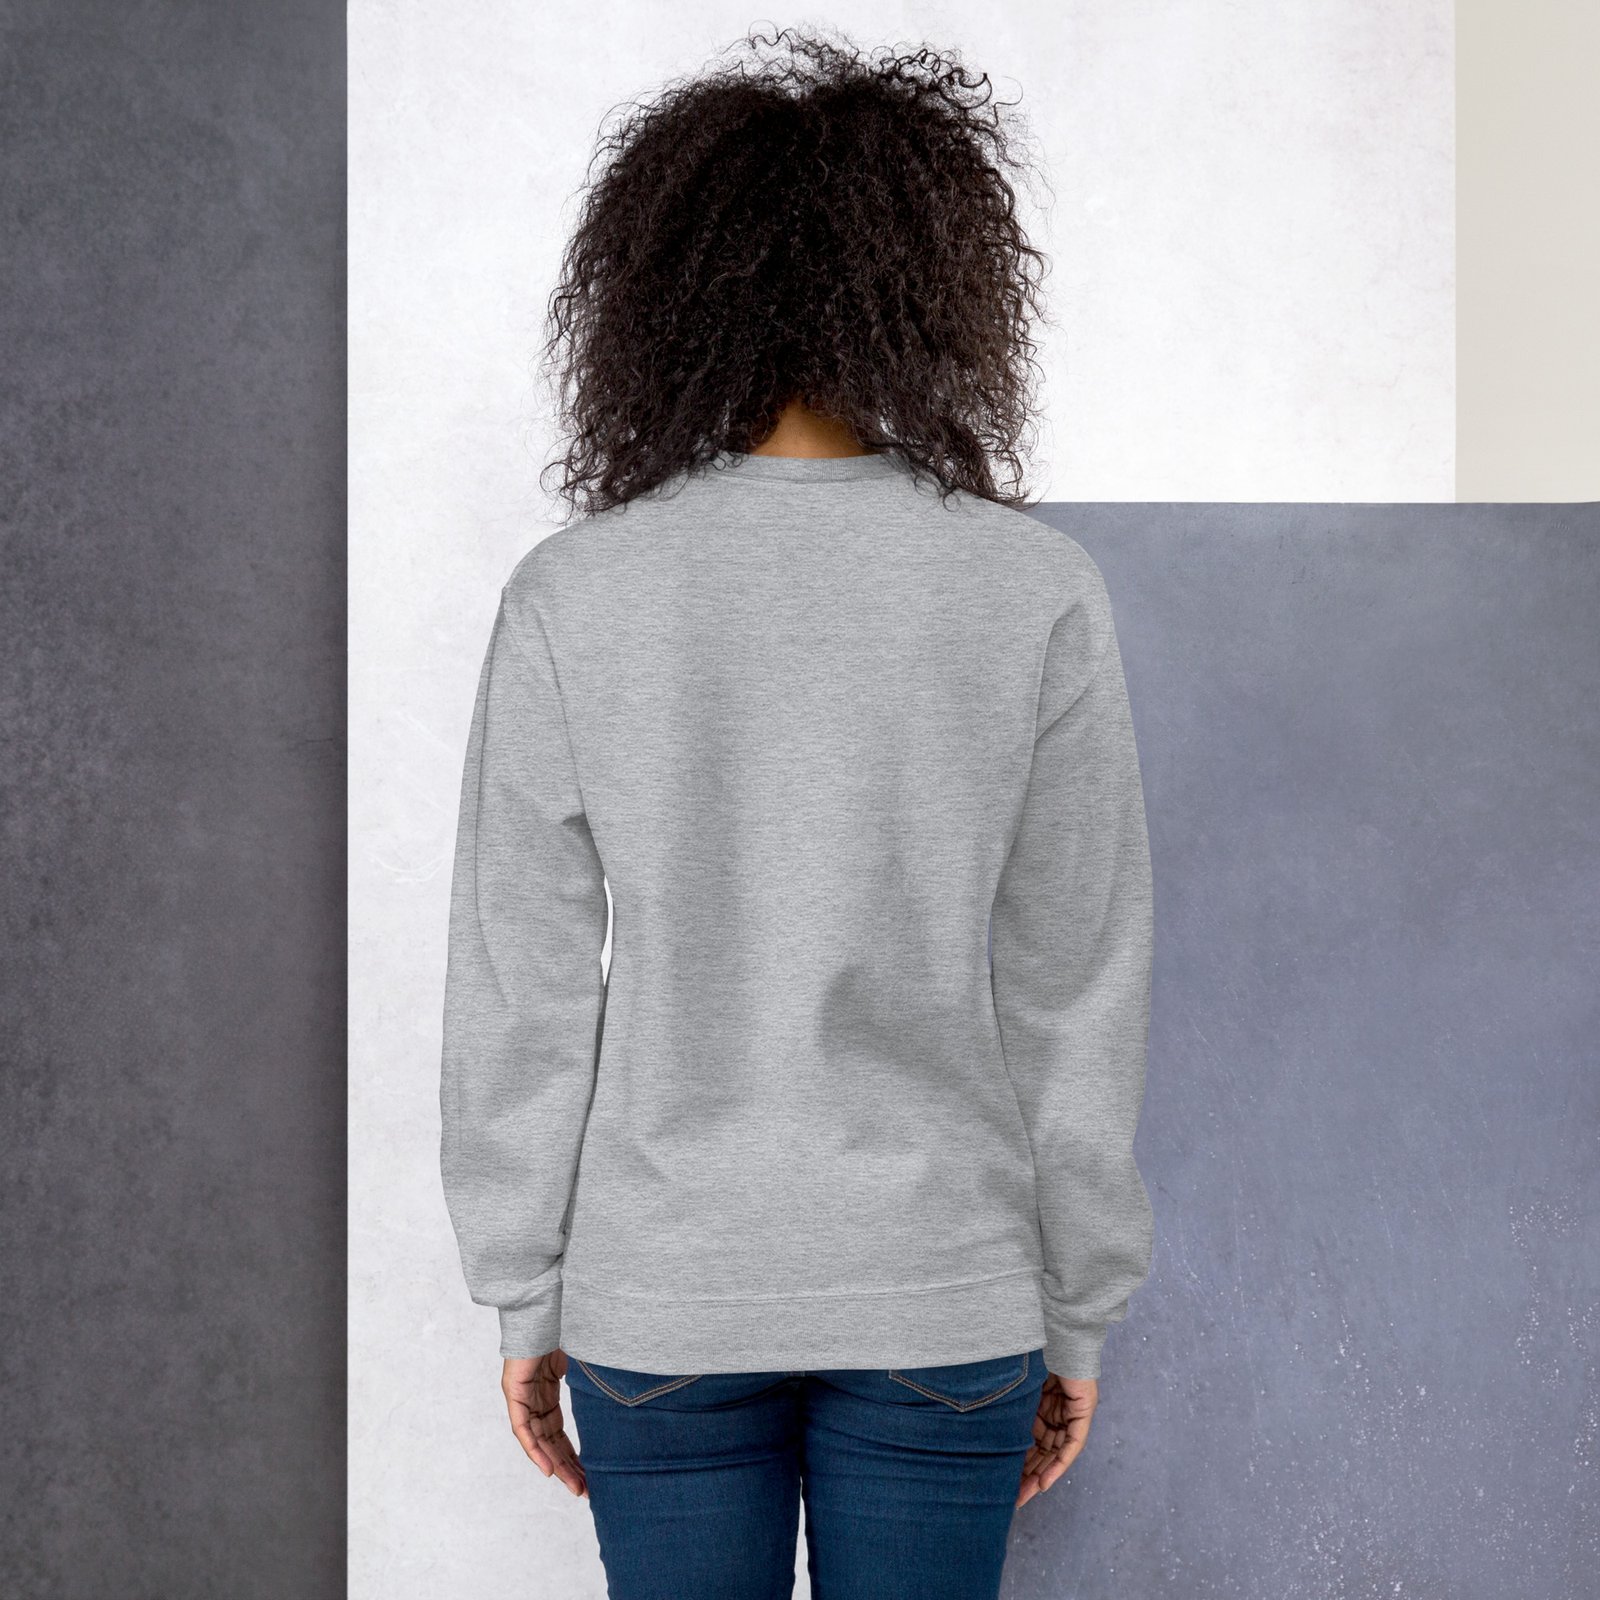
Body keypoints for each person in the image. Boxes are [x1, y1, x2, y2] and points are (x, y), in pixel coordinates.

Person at [439, 26, 1155, 1600]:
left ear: (665, 289)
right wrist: (1078, 1306)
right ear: (935, 286)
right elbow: (1075, 985)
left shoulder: (577, 595)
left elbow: (524, 984)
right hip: (943, 1294)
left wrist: (525, 1290)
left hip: (660, 1301)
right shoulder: (1031, 591)